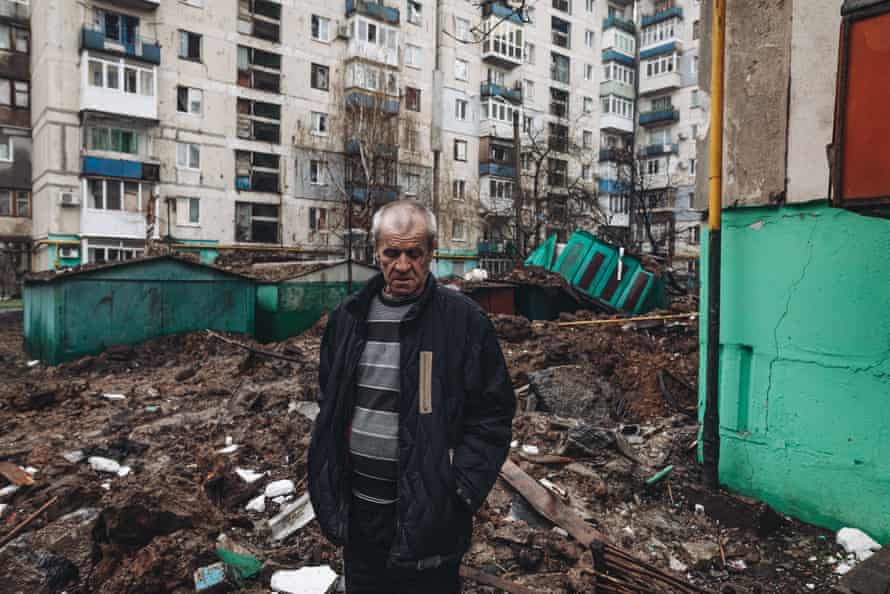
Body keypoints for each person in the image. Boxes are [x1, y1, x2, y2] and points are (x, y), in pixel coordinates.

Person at [308, 200, 516, 594]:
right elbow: (330, 403)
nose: (402, 265)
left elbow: (493, 414)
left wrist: (459, 490)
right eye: (392, 252)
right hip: (360, 517)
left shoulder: (462, 321)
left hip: (431, 522)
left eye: (414, 253)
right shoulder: (348, 319)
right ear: (376, 253)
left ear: (431, 254)